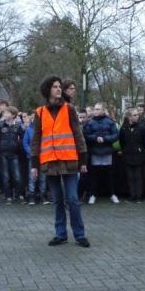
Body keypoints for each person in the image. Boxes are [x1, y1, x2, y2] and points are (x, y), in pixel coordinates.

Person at [31, 76, 90, 248]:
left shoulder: (69, 108)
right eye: (55, 87)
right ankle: (60, 234)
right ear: (47, 90)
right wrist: (34, 164)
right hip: (49, 163)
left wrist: (83, 159)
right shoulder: (39, 112)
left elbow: (78, 135)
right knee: (57, 200)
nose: (58, 89)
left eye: (59, 86)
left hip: (69, 161)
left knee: (72, 199)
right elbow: (36, 139)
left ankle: (79, 235)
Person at [83, 102, 119, 204]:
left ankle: (112, 194)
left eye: (98, 109)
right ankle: (93, 195)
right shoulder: (89, 123)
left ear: (103, 110)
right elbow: (86, 135)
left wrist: (105, 139)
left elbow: (116, 135)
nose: (95, 111)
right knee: (94, 175)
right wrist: (95, 138)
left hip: (107, 151)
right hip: (95, 152)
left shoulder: (110, 122)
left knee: (110, 175)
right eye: (95, 109)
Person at [0, 106, 24, 204]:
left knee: (17, 176)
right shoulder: (0, 125)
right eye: (4, 113)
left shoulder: (18, 126)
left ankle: (17, 194)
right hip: (3, 154)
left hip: (15, 154)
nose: (5, 115)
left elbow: (23, 139)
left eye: (7, 113)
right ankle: (8, 196)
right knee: (6, 177)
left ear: (13, 115)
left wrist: (20, 147)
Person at [119, 108, 145, 203]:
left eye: (137, 115)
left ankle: (139, 197)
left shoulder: (142, 128)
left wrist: (141, 149)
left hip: (139, 155)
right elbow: (122, 141)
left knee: (138, 176)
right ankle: (132, 196)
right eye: (134, 115)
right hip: (128, 155)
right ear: (129, 117)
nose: (137, 116)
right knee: (130, 177)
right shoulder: (124, 128)